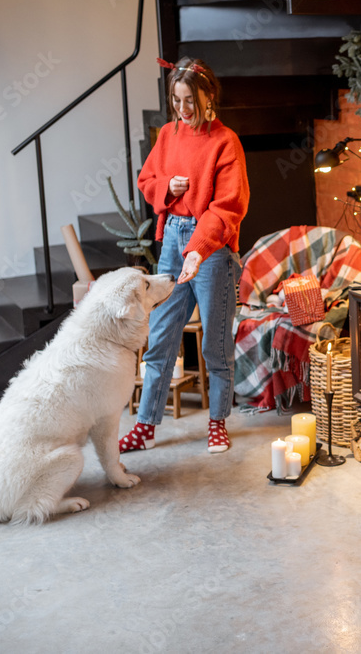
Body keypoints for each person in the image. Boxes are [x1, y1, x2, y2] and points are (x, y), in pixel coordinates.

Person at [120, 57, 249, 454]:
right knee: (160, 337)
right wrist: (168, 189)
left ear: (208, 95)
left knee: (215, 343)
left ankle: (217, 422)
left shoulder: (225, 142)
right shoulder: (167, 135)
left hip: (211, 249)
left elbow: (228, 206)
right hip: (172, 240)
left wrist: (198, 250)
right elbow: (146, 180)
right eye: (176, 100)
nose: (183, 109)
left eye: (190, 99)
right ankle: (145, 426)